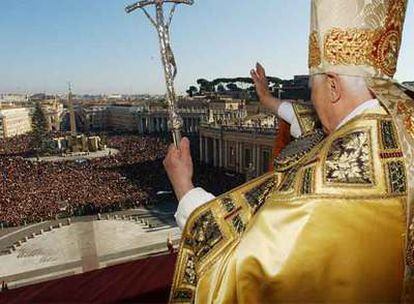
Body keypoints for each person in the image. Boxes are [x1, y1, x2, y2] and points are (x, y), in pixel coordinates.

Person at [163, 0, 414, 303]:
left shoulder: (322, 190)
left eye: (312, 89)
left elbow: (241, 270)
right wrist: (267, 99)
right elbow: (314, 122)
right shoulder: (400, 130)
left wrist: (184, 188)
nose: (310, 100)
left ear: (333, 88)